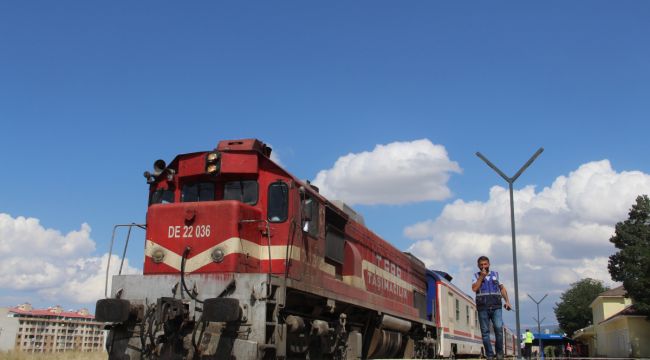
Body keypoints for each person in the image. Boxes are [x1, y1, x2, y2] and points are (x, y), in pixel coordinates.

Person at [472, 256, 512, 360]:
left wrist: (507, 301)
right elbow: (474, 288)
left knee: (498, 329)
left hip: (496, 306)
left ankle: (499, 353)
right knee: (485, 332)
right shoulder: (475, 276)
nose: (483, 266)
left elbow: (502, 289)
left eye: (485, 264)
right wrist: (481, 277)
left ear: (489, 264)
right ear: (478, 266)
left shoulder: (496, 275)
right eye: (481, 265)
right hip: (483, 307)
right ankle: (489, 355)